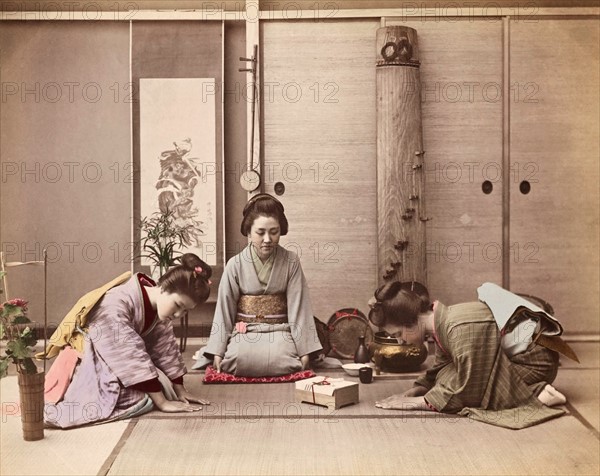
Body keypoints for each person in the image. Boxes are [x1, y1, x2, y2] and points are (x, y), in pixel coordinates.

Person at [369, 281, 568, 429]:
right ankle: (527, 391)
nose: (401, 341)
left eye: (398, 334)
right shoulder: (442, 320)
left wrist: (418, 403)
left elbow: (469, 385)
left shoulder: (458, 328)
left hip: (533, 364)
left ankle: (536, 393)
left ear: (411, 321)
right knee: (445, 375)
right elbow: (442, 364)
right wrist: (421, 387)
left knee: (466, 389)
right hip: (513, 356)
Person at [44, 254, 212, 428]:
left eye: (185, 311)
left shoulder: (159, 308)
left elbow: (166, 349)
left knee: (161, 388)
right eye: (177, 305)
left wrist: (180, 390)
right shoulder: (115, 303)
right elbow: (128, 355)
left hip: (118, 360)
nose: (178, 315)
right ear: (163, 288)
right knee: (135, 398)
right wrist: (162, 403)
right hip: (90, 359)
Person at [194, 193, 322, 377]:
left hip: (281, 331)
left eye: (274, 232)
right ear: (248, 232)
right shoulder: (235, 264)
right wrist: (218, 351)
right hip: (245, 332)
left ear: (281, 230)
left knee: (286, 359)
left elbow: (299, 309)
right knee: (236, 358)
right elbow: (224, 311)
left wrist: (304, 351)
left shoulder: (291, 261)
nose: (268, 239)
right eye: (260, 233)